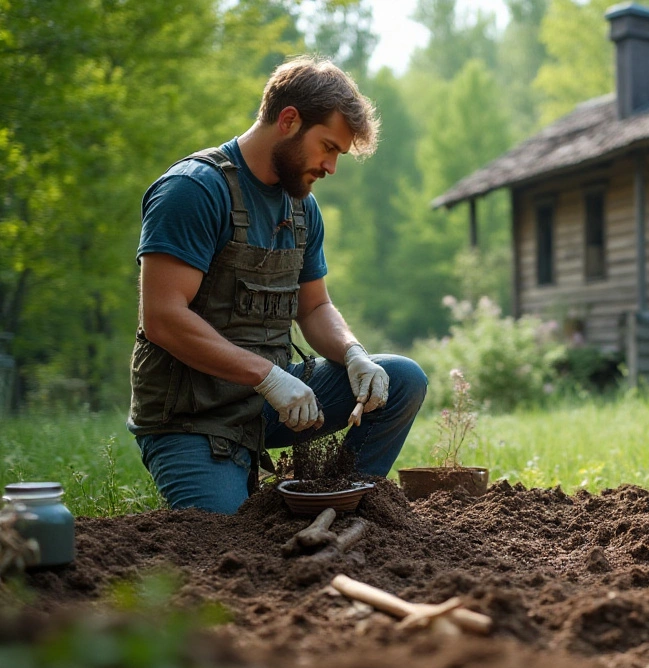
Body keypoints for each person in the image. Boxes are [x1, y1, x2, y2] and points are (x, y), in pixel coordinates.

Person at [127, 56, 427, 514]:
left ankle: (342, 505)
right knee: (226, 542)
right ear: (288, 120)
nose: (331, 167)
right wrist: (268, 377)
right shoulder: (193, 190)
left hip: (270, 400)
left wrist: (353, 353)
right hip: (193, 418)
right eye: (327, 147)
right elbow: (164, 318)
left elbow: (314, 308)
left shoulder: (302, 208)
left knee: (401, 379)